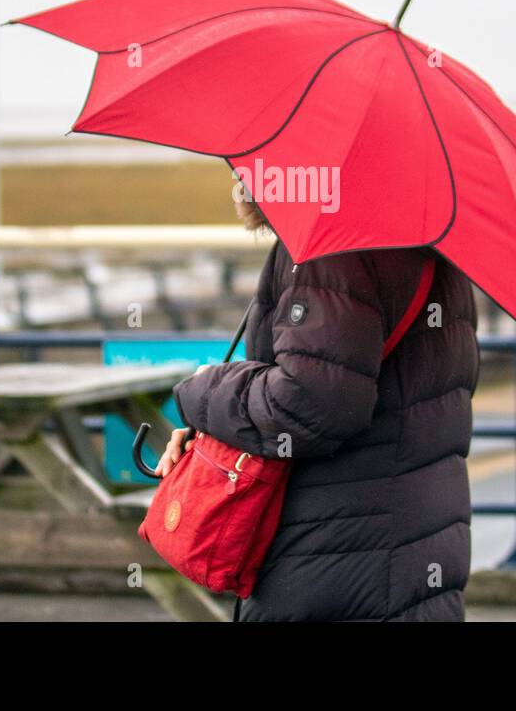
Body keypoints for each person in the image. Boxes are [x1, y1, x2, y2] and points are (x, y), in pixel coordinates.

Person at [156, 184, 480, 621]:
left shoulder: (330, 247)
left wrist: (204, 388)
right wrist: (218, 422)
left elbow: (309, 403)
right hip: (415, 545)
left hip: (335, 552)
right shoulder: (423, 234)